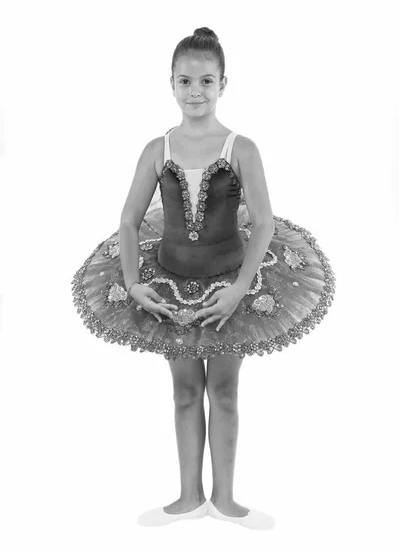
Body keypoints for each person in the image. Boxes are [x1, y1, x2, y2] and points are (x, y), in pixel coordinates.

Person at [71, 27, 336, 530]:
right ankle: (188, 496)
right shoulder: (156, 148)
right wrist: (131, 282)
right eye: (185, 80)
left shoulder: (242, 147)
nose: (196, 91)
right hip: (168, 284)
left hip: (231, 283)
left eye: (206, 81)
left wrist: (238, 291)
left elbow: (263, 223)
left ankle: (227, 499)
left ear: (223, 85)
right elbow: (128, 221)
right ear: (170, 84)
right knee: (185, 391)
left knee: (227, 392)